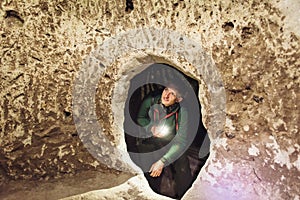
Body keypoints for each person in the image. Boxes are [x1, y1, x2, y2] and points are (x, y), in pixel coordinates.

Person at [136, 83, 193, 199]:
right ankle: (150, 194)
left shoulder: (183, 111)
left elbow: (181, 141)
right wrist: (150, 127)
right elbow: (141, 118)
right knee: (147, 162)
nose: (166, 95)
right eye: (166, 90)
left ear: (178, 99)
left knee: (182, 166)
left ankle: (185, 195)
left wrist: (162, 161)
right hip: (151, 138)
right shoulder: (151, 100)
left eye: (172, 94)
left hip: (171, 141)